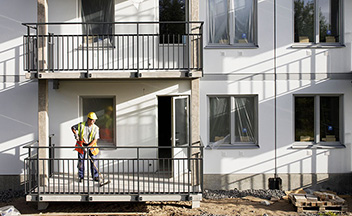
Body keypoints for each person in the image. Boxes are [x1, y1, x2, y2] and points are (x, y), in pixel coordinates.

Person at [71, 112, 100, 182]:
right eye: (92, 120)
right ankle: (81, 176)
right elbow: (73, 128)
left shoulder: (96, 128)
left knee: (93, 161)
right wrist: (76, 134)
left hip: (91, 145)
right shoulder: (81, 125)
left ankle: (95, 176)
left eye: (94, 120)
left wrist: (89, 147)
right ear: (88, 119)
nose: (93, 121)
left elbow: (95, 139)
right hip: (82, 145)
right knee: (81, 161)